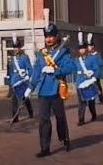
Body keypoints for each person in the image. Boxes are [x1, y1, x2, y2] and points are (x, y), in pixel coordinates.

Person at [24, 23, 75, 157]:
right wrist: (30, 87)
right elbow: (36, 71)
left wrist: (55, 70)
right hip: (43, 91)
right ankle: (45, 148)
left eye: (51, 36)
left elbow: (71, 68)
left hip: (57, 89)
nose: (49, 39)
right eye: (47, 36)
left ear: (57, 36)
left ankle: (64, 138)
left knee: (60, 117)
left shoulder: (64, 52)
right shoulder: (42, 53)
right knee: (43, 120)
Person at [75, 31, 100, 126]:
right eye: (80, 49)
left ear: (85, 49)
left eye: (83, 48)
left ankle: (93, 115)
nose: (81, 50)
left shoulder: (92, 58)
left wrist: (93, 74)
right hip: (80, 83)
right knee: (81, 102)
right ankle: (81, 119)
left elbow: (97, 69)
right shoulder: (77, 60)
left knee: (91, 102)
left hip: (89, 82)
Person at [9, 40, 33, 123]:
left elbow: (30, 68)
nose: (16, 49)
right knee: (14, 100)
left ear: (20, 48)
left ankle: (30, 112)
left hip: (22, 80)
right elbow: (11, 70)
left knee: (24, 98)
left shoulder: (25, 57)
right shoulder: (13, 58)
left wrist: (27, 76)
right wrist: (10, 81)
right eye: (14, 47)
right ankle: (15, 117)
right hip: (14, 81)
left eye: (17, 47)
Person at [87, 34, 103, 104]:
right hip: (89, 74)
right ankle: (90, 99)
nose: (88, 48)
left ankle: (101, 99)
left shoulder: (97, 54)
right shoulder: (88, 55)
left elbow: (101, 63)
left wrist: (95, 67)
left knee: (97, 86)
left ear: (93, 47)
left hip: (96, 73)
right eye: (88, 46)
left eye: (89, 46)